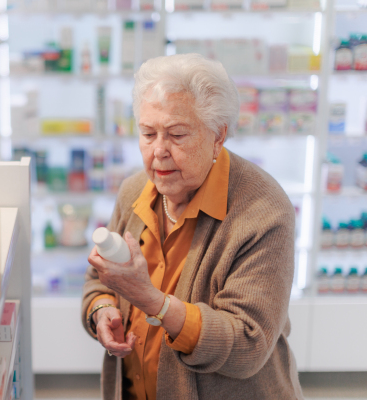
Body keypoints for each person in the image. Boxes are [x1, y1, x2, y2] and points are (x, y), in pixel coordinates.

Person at [81, 54, 303, 400]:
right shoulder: (134, 192)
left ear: (218, 136)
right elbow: (99, 280)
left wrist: (150, 300)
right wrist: (101, 310)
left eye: (177, 134)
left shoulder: (263, 213)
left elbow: (247, 343)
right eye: (147, 133)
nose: (158, 151)